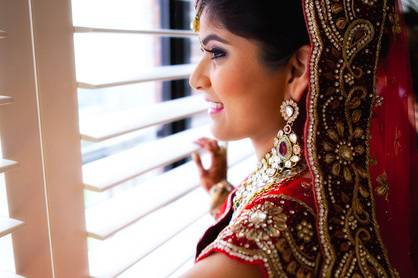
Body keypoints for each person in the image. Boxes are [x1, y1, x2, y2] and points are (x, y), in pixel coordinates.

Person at [183, 0, 418, 277]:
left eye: (217, 53)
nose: (195, 79)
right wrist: (221, 189)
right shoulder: (334, 182)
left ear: (297, 70)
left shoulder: (250, 253)